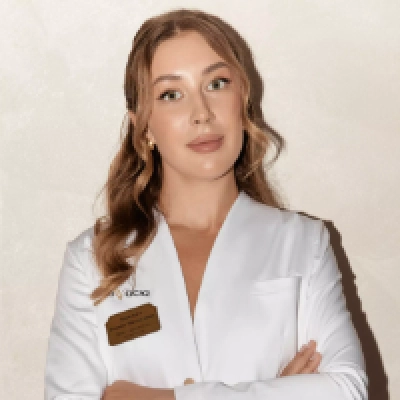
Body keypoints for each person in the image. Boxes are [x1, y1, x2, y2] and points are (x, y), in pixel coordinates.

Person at [44, 8, 368, 400]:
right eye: (171, 94)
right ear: (143, 126)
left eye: (216, 84)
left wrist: (162, 398)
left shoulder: (304, 242)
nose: (202, 113)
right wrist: (279, 391)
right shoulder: (91, 259)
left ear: (242, 100)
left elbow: (347, 390)